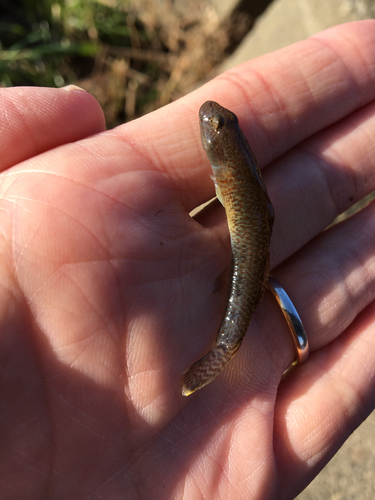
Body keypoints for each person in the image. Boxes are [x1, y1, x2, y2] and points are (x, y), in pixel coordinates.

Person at [1, 20, 375, 500]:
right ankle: (223, 350)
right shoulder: (231, 166)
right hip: (247, 245)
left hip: (247, 249)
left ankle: (222, 351)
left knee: (242, 285)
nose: (213, 123)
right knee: (243, 282)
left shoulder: (230, 168)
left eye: (222, 127)